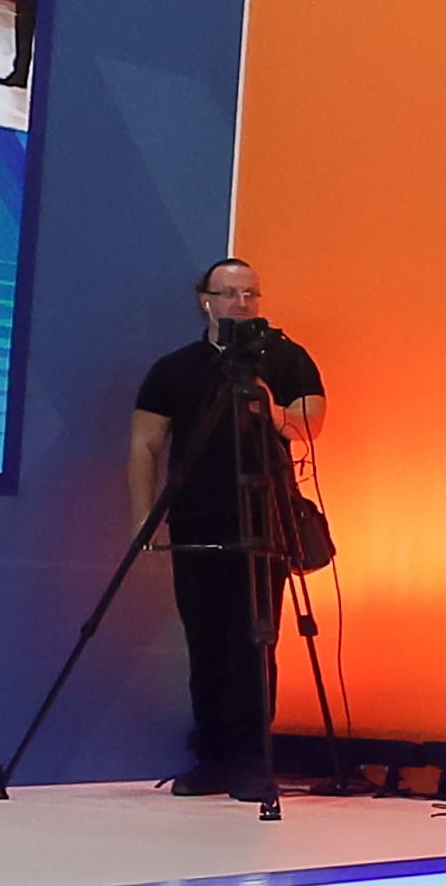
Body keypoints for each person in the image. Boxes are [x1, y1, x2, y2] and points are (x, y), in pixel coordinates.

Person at [129, 261, 325, 805]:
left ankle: (252, 760)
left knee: (255, 640)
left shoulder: (284, 358)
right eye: (231, 293)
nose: (242, 303)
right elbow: (145, 443)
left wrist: (266, 403)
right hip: (196, 521)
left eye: (251, 294)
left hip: (264, 520)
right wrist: (143, 519)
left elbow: (311, 423)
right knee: (205, 639)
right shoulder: (176, 368)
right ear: (206, 301)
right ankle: (211, 757)